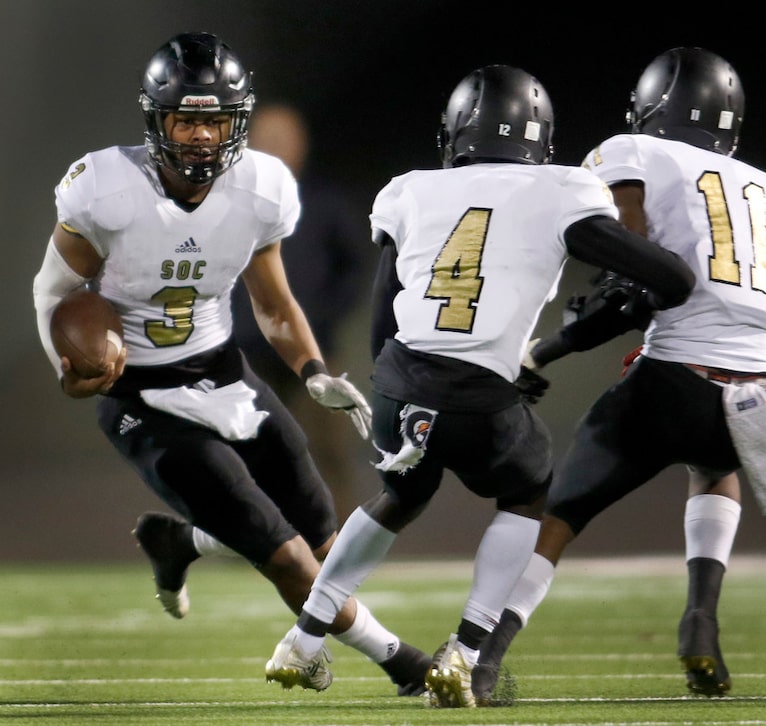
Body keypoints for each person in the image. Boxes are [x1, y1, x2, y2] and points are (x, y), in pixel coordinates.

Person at [263, 64, 695, 708]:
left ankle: (302, 639)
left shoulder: (412, 190)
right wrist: (622, 299)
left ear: (458, 130)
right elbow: (672, 279)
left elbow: (385, 316)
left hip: (401, 380)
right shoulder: (562, 189)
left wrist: (402, 392)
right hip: (479, 398)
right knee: (528, 492)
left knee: (400, 493)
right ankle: (465, 654)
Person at [31, 31, 431, 696]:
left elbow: (273, 304)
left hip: (225, 372)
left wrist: (312, 373)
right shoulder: (103, 188)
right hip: (142, 397)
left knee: (326, 541)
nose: (199, 137)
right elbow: (52, 292)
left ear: (236, 124)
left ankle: (179, 542)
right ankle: (407, 666)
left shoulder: (262, 187)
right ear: (157, 120)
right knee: (288, 558)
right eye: (186, 119)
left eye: (214, 120)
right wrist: (66, 363)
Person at [472, 47, 766, 702]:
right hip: (754, 391)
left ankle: (486, 657)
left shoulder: (635, 152)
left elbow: (635, 271)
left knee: (559, 514)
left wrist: (549, 347)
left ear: (654, 107)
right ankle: (700, 622)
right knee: (714, 469)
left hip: (673, 378)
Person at [230, 101, 370, 508]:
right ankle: (254, 536)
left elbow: (354, 266)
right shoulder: (230, 201)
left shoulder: (323, 202)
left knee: (327, 448)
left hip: (314, 347)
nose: (276, 147)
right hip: (249, 349)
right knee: (247, 445)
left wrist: (324, 314)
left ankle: (339, 540)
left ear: (301, 145)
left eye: (284, 138)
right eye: (267, 137)